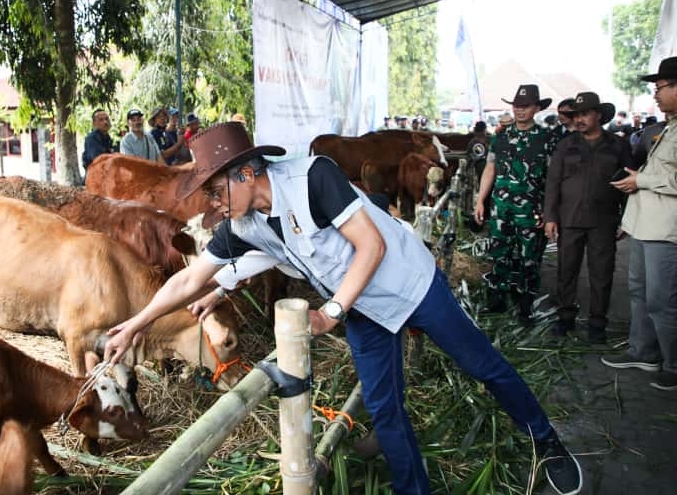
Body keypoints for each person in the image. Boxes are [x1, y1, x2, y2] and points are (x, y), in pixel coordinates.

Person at [101, 122, 582, 495]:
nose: (212, 203)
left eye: (214, 190)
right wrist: (137, 324)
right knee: (383, 406)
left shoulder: (313, 178)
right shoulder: (242, 221)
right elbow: (194, 275)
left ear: (247, 173)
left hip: (408, 283)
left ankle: (547, 441)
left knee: (481, 364)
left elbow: (371, 246)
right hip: (362, 307)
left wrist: (329, 313)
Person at [604, 56, 677, 391]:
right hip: (644, 225)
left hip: (666, 230)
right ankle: (643, 350)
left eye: (660, 88)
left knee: (663, 299)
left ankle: (673, 364)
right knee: (639, 291)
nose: (656, 95)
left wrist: (643, 181)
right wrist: (641, 177)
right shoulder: (668, 128)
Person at [543, 92, 632, 343]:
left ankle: (597, 324)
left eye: (585, 114)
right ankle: (565, 318)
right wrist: (550, 216)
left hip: (603, 221)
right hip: (569, 219)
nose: (579, 119)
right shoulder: (565, 146)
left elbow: (630, 183)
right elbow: (553, 183)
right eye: (576, 115)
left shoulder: (618, 145)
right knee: (566, 270)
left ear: (599, 116)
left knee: (602, 273)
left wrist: (626, 218)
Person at [474, 85, 557, 324]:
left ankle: (525, 306)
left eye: (526, 106)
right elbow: (490, 168)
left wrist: (549, 212)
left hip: (531, 211)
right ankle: (498, 298)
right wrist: (481, 200)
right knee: (500, 254)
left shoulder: (546, 138)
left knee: (529, 258)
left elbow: (553, 178)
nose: (520, 110)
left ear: (537, 108)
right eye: (516, 106)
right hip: (501, 208)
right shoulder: (500, 136)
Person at [82, 108, 115, 172]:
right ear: (94, 124)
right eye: (101, 120)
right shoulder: (92, 138)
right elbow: (100, 160)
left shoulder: (107, 137)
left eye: (106, 119)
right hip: (95, 177)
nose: (105, 122)